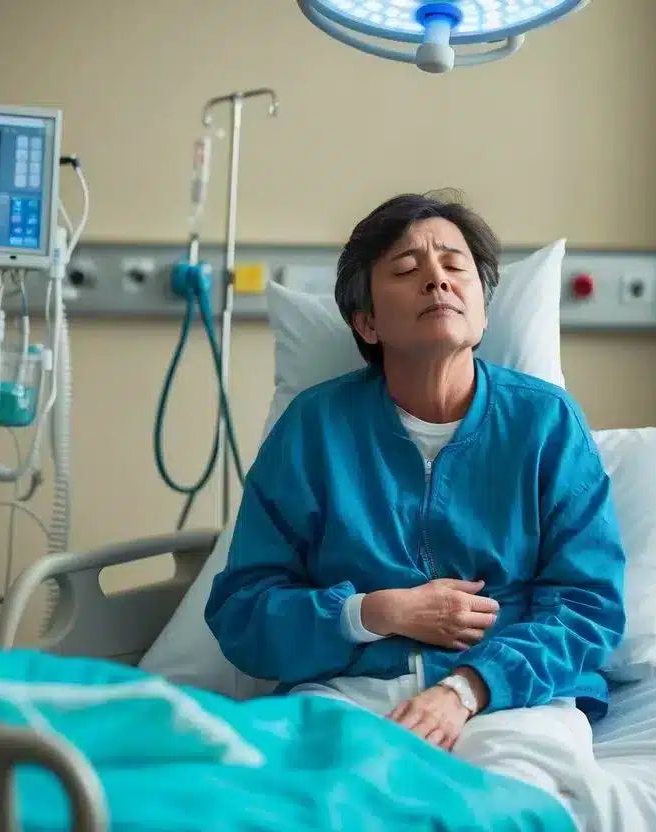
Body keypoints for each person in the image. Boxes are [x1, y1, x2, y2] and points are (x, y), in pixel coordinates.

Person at [204, 190, 627, 815]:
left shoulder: (545, 425)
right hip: (347, 695)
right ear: (367, 323)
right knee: (298, 809)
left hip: (511, 701)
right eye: (406, 269)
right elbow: (244, 610)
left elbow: (589, 607)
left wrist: (466, 688)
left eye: (455, 267)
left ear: (483, 312)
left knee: (511, 810)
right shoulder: (314, 430)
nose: (436, 278)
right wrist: (371, 612)